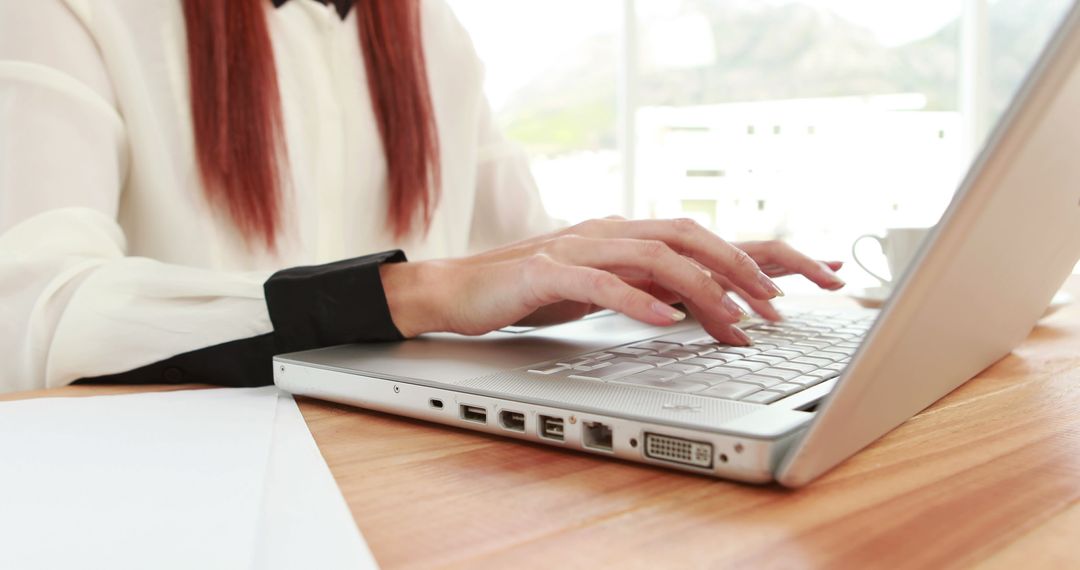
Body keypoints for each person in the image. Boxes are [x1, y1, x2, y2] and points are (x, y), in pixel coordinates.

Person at [0, 0, 845, 394]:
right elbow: (27, 309)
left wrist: (651, 268)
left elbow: (523, 249)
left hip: (408, 471)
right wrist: (417, 290)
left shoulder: (431, 32)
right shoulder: (65, 14)